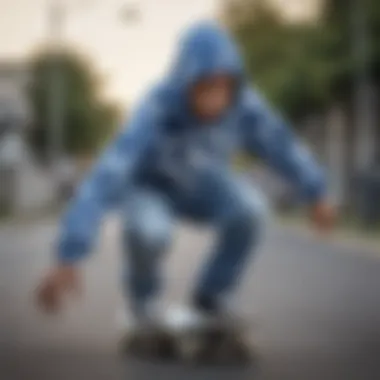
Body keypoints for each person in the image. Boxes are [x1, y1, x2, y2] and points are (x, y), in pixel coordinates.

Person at [37, 22, 335, 327]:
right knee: (150, 232)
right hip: (150, 189)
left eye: (223, 89)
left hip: (206, 184)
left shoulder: (243, 105)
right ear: (185, 82)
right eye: (204, 88)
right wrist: (70, 253)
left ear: (234, 85)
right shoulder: (156, 107)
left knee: (251, 210)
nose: (214, 100)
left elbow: (280, 144)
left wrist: (317, 190)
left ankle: (212, 297)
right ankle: (143, 302)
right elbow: (109, 173)